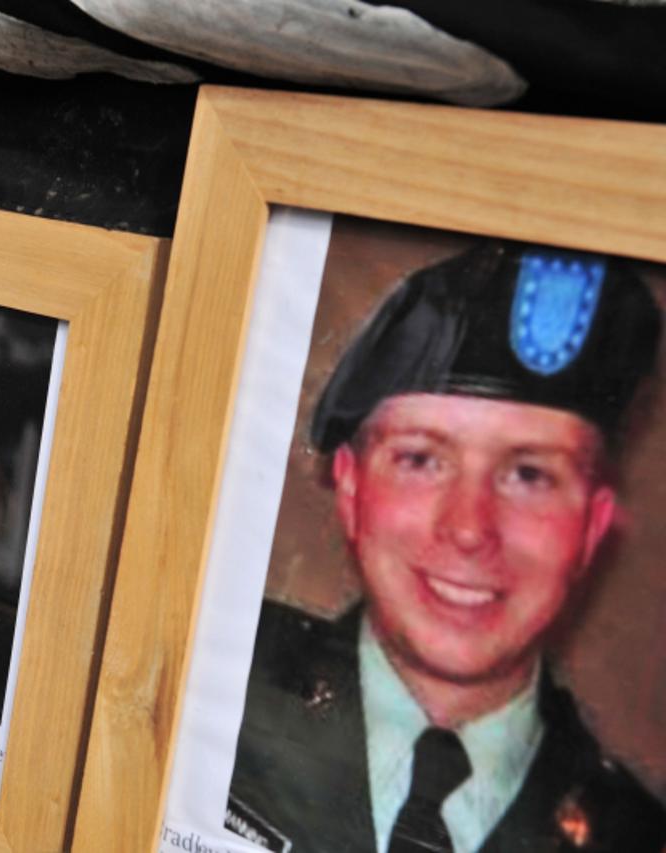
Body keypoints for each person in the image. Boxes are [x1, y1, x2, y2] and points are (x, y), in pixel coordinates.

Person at [226, 243, 666, 853]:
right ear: (351, 488)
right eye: (421, 459)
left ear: (592, 528)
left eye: (530, 475)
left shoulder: (634, 837)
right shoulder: (219, 686)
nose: (468, 528)